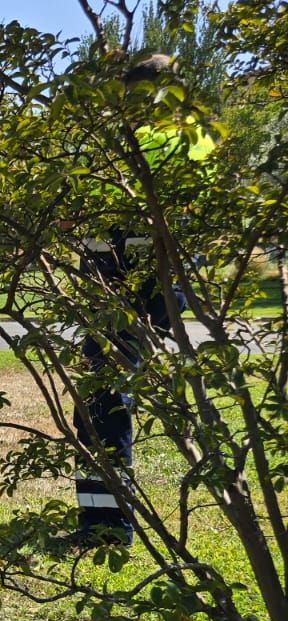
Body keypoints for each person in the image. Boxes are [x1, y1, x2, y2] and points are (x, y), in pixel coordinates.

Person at [72, 53, 214, 545]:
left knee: (102, 400)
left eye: (128, 97)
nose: (122, 108)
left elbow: (96, 212)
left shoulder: (147, 141)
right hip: (140, 289)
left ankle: (108, 526)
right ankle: (100, 518)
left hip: (128, 290)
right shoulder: (195, 139)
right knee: (102, 399)